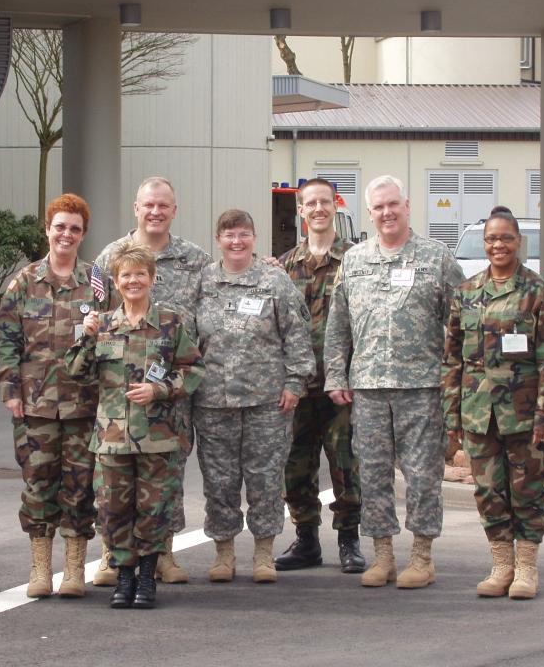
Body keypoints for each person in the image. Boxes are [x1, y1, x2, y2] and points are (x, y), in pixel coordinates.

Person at [324, 175, 465, 590]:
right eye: (378, 207)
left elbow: (459, 326)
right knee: (372, 474)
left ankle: (422, 557)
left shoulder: (435, 259)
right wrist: (336, 373)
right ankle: (382, 555)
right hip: (367, 389)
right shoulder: (354, 261)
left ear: (407, 206)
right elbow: (339, 324)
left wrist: (454, 378)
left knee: (422, 476)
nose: (386, 213)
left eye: (393, 205)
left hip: (421, 388)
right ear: (369, 213)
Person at [65, 243, 204, 609]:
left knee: (154, 510)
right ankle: (123, 577)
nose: (133, 281)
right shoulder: (104, 323)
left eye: (140, 274)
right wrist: (86, 336)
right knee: (112, 510)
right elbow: (76, 372)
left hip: (158, 438)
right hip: (112, 440)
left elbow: (193, 370)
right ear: (115, 281)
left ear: (152, 279)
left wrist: (159, 389)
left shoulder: (170, 322)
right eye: (125, 275)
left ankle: (146, 578)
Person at [442, 206, 544, 600]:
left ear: (519, 243)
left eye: (506, 238)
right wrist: (453, 416)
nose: (498, 245)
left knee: (527, 490)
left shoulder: (536, 292)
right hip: (479, 413)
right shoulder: (466, 294)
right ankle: (501, 565)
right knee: (488, 491)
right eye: (492, 239)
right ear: (485, 244)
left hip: (524, 414)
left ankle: (527, 567)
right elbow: (452, 360)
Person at [0, 194, 113, 599]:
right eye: (59, 226)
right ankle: (41, 567)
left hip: (84, 404)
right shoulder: (24, 282)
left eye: (75, 228)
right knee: (38, 484)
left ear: (83, 234)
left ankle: (75, 568)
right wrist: (10, 390)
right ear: (47, 229)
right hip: (35, 404)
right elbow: (5, 340)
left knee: (80, 487)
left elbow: (115, 336)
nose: (66, 234)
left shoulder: (96, 281)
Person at [94, 176, 210, 585]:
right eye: (149, 205)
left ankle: (163, 554)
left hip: (172, 390)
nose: (156, 212)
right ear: (136, 208)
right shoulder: (111, 255)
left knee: (167, 475)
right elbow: (96, 318)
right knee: (116, 481)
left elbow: (217, 297)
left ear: (174, 210)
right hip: (122, 395)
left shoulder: (195, 258)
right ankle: (114, 555)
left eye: (164, 205)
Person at [194, 209, 315, 583]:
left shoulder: (274, 281)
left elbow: (297, 334)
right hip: (213, 402)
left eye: (244, 234)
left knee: (265, 481)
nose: (236, 241)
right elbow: (186, 337)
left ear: (254, 237)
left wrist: (295, 383)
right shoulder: (203, 282)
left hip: (267, 402)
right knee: (219, 482)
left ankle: (263, 553)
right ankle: (224, 553)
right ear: (218, 240)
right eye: (229, 235)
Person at [275, 179, 365, 574]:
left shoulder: (357, 261)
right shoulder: (282, 267)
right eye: (310, 203)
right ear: (300, 210)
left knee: (345, 462)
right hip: (297, 385)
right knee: (296, 464)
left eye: (324, 202)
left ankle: (349, 539)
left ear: (335, 206)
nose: (317, 209)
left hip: (341, 384)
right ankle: (306, 539)